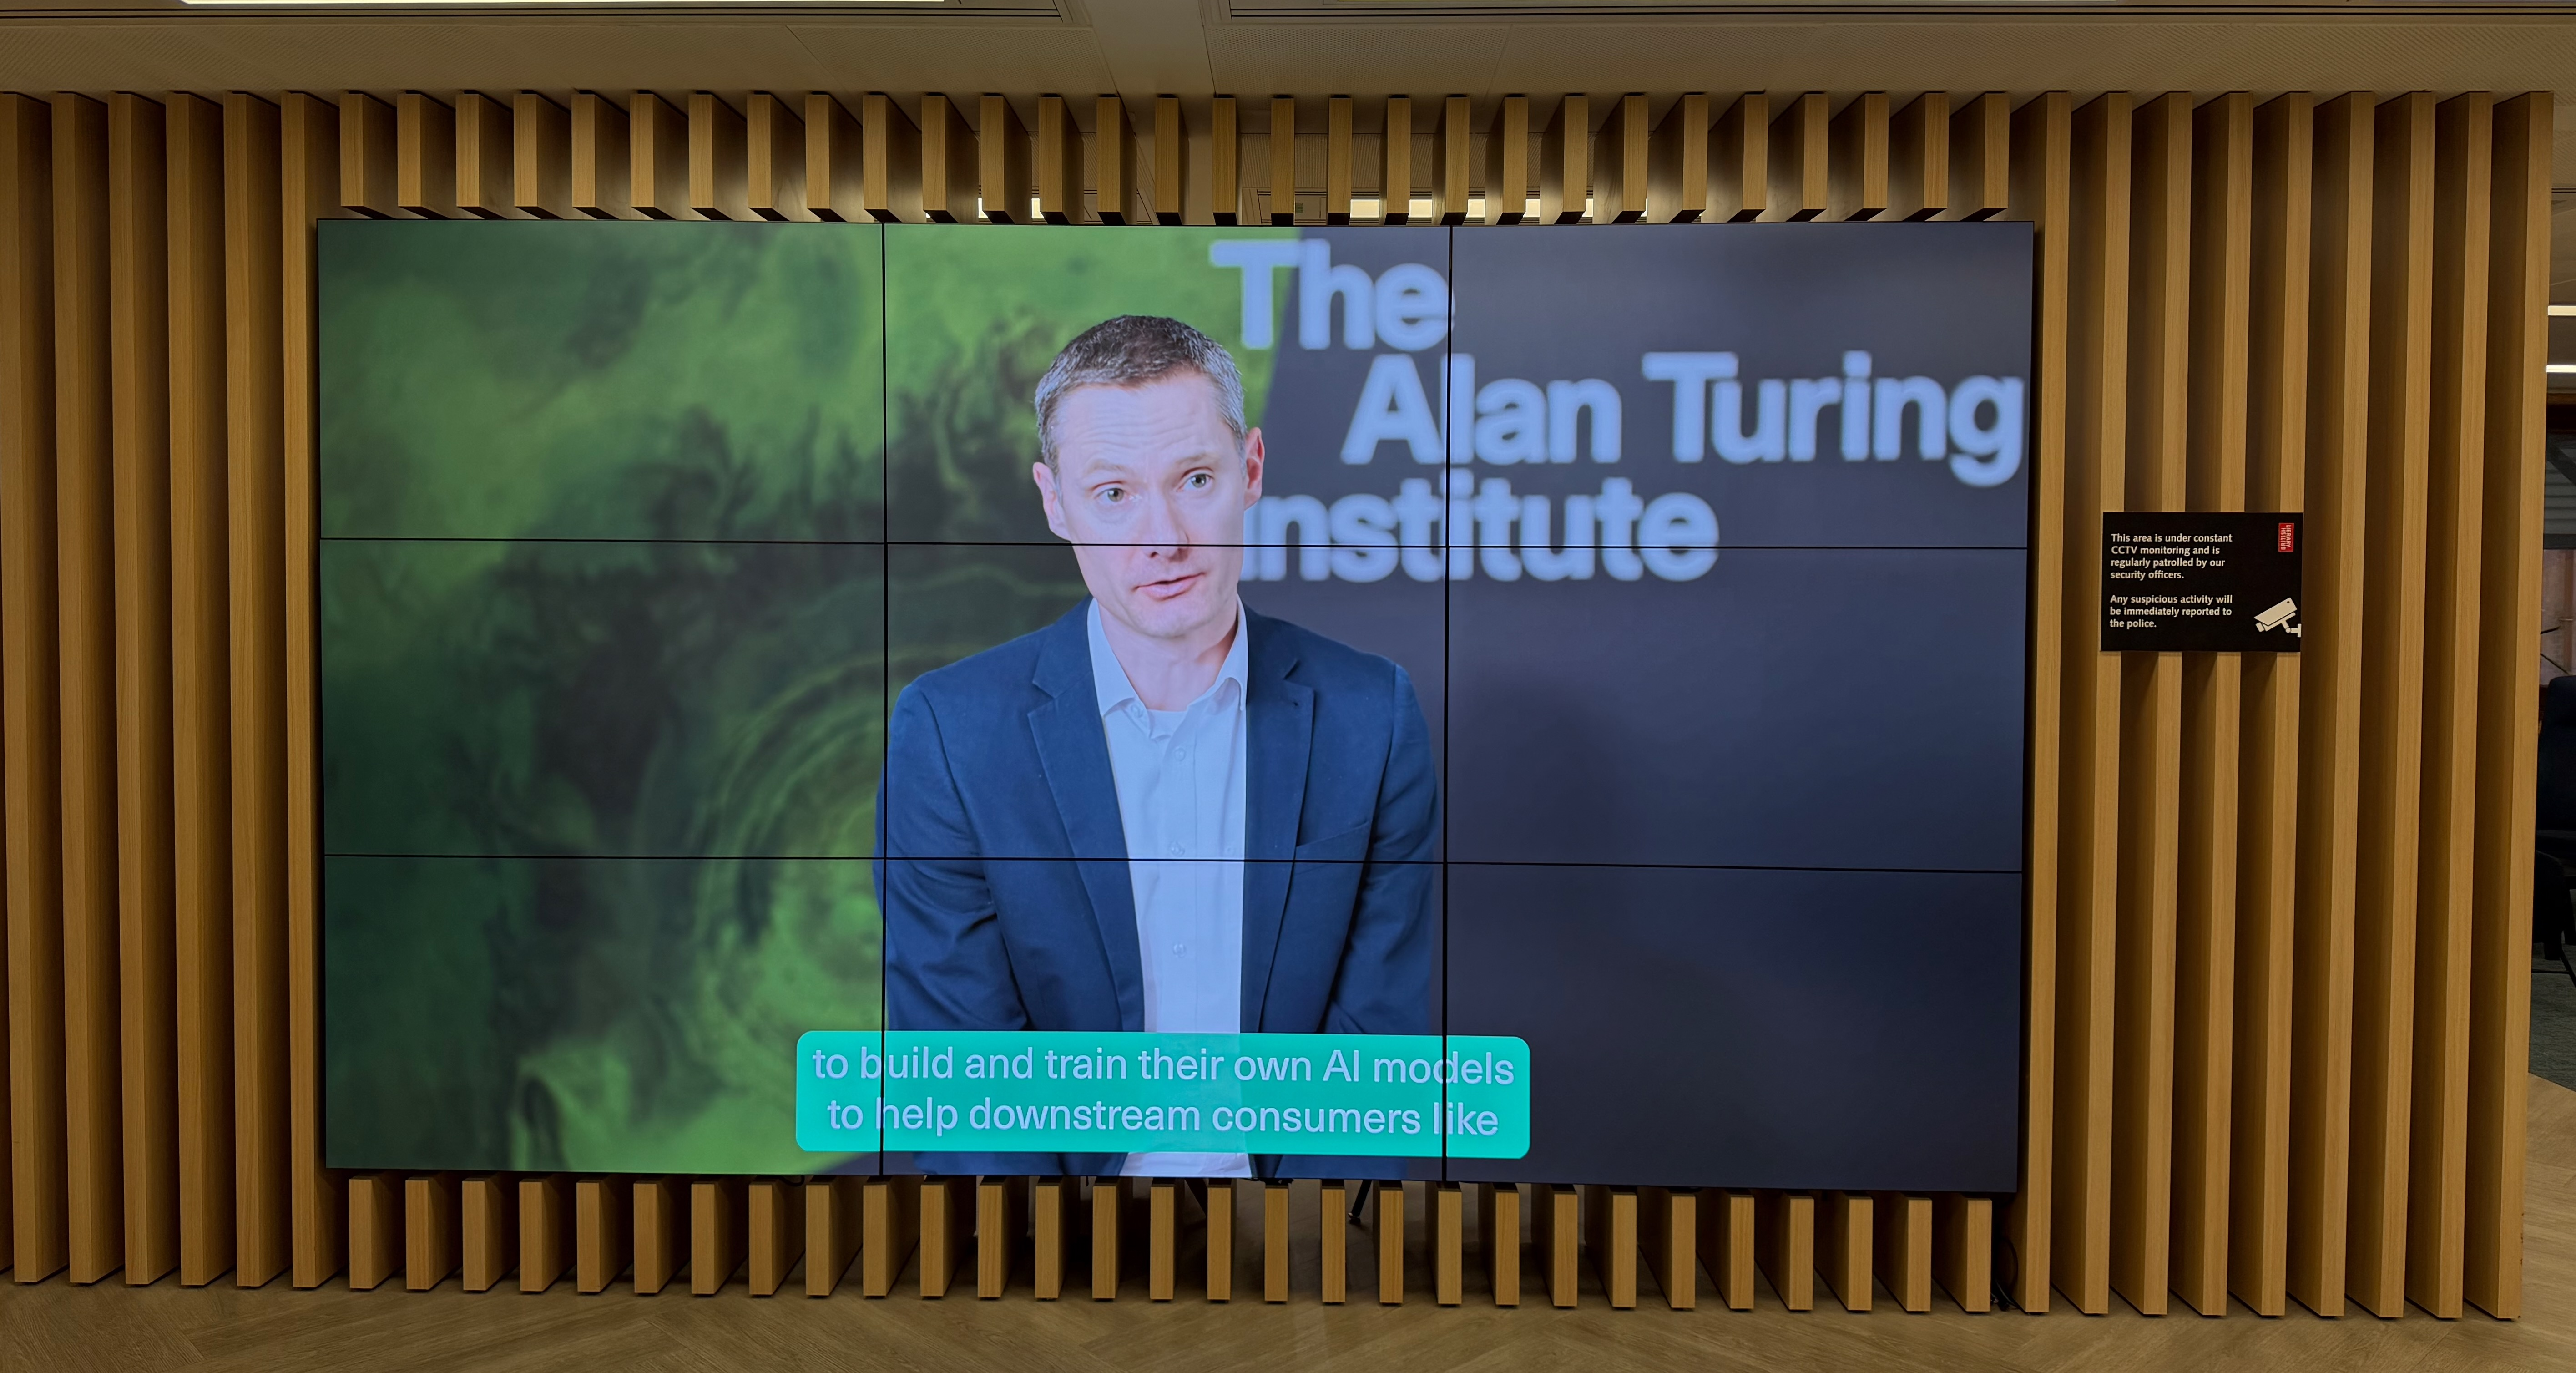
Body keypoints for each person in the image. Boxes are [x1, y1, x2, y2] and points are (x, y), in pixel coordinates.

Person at [877, 314, 1438, 1180]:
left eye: (1195, 479)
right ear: (1054, 502)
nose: (1164, 538)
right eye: (1113, 493)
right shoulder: (951, 733)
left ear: (1251, 469)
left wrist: (1308, 1248)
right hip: (1050, 1236)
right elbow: (965, 1077)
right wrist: (1047, 1261)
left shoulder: (1372, 715)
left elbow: (1372, 1053)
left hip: (1295, 1230)